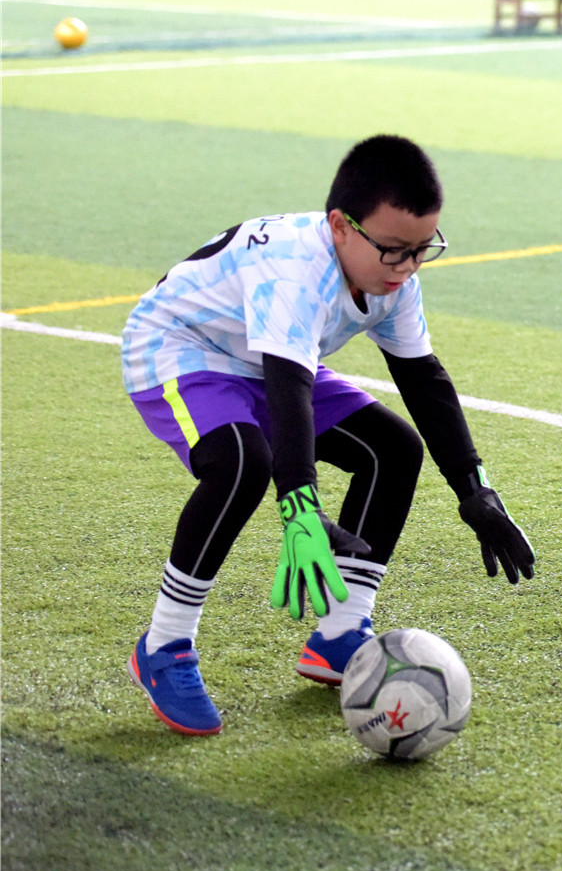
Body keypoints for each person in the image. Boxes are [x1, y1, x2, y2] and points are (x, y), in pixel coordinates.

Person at [121, 134, 536, 736]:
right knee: (241, 462)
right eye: (394, 250)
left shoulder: (394, 276)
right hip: (182, 348)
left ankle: (341, 635)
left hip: (268, 357)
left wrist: (476, 491)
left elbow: (424, 380)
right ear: (341, 226)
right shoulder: (295, 269)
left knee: (393, 450)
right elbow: (289, 390)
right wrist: (300, 508)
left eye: (424, 250)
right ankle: (164, 645)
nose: (409, 267)